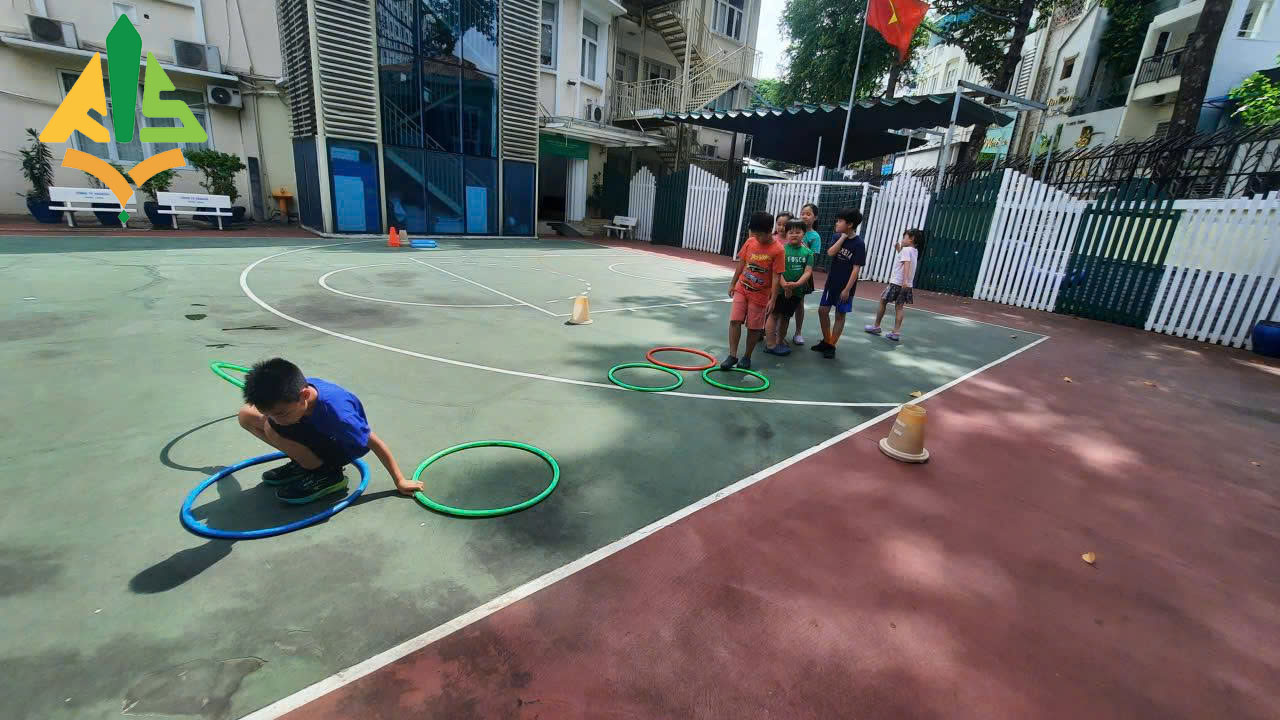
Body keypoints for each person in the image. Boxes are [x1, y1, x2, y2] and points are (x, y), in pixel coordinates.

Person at [237, 358, 423, 504]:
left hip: (341, 447)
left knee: (271, 428)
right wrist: (276, 416)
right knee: (246, 415)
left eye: (281, 413)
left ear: (304, 395)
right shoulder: (293, 393)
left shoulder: (339, 414)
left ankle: (326, 475)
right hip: (317, 429)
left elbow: (374, 442)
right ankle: (303, 461)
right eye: (268, 413)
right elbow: (272, 413)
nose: (275, 418)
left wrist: (399, 480)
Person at [723, 211, 784, 370]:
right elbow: (741, 264)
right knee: (735, 320)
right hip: (742, 288)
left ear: (769, 230)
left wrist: (773, 299)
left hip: (760, 294)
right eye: (754, 234)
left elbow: (776, 277)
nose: (756, 237)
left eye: (759, 235)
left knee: (754, 327)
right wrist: (732, 283)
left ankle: (747, 357)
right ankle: (732, 355)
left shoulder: (778, 250)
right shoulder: (750, 242)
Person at [812, 208, 865, 360]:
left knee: (840, 315)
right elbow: (830, 253)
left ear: (850, 224)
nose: (836, 223)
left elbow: (856, 269)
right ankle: (826, 340)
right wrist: (842, 238)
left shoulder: (859, 244)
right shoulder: (837, 237)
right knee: (822, 311)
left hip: (845, 287)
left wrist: (847, 289)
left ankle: (831, 345)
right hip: (831, 284)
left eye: (840, 221)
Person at [764, 218, 815, 356]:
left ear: (804, 234)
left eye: (798, 232)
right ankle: (770, 344)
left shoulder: (808, 253)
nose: (794, 235)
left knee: (786, 317)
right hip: (779, 290)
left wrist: (796, 285)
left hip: (796, 292)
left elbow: (808, 272)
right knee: (774, 315)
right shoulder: (781, 250)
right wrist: (784, 285)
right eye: (791, 232)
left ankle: (779, 341)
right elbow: (776, 270)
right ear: (786, 234)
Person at [866, 228, 921, 342]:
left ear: (911, 239)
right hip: (907, 284)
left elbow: (906, 264)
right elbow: (904, 260)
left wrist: (904, 280)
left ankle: (876, 326)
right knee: (899, 307)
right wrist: (898, 249)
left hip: (897, 282)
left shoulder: (906, 250)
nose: (902, 239)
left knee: (883, 301)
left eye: (904, 237)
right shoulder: (914, 251)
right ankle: (896, 332)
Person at [792, 203, 824, 346]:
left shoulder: (814, 236)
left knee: (799, 302)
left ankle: (798, 332)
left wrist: (802, 246)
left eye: (808, 214)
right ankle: (775, 330)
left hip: (803, 273)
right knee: (780, 300)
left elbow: (813, 257)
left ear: (815, 217)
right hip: (788, 271)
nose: (804, 216)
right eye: (803, 213)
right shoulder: (793, 229)